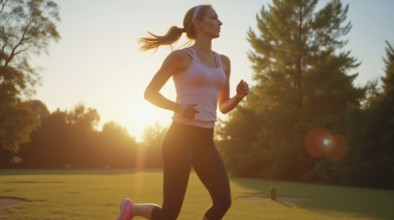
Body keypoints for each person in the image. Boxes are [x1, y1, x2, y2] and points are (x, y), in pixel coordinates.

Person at [117, 4, 249, 220]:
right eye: (214, 18)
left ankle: (132, 209)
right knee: (169, 214)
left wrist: (238, 97)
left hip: (206, 141)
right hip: (179, 139)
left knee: (223, 201)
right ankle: (131, 209)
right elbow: (150, 93)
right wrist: (177, 107)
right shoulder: (180, 57)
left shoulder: (223, 62)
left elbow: (223, 107)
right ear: (198, 23)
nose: (220, 22)